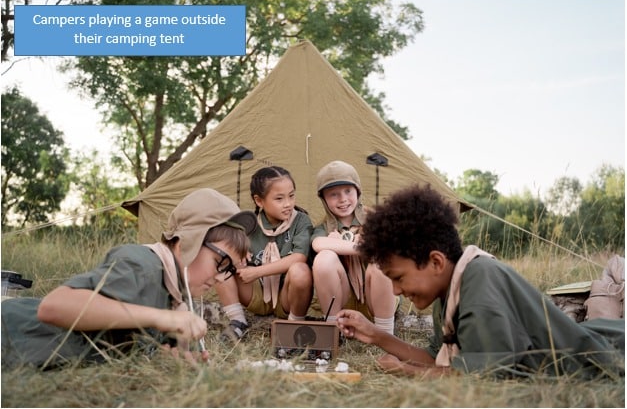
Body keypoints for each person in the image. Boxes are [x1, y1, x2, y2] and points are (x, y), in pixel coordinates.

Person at [336, 184, 625, 379]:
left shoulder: (479, 279)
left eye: (399, 278)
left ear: (436, 262)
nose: (397, 290)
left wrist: (407, 371)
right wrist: (376, 335)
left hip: (603, 356)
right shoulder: (447, 291)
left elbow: (481, 376)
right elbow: (438, 359)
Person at [1, 188, 257, 369]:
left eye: (230, 270)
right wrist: (164, 318)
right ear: (190, 241)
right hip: (11, 334)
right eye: (221, 262)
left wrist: (166, 355)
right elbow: (54, 307)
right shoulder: (143, 263)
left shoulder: (172, 293)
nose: (221, 277)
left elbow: (121, 339)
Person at [215, 166, 313, 341]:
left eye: (291, 195)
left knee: (300, 270)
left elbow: (299, 257)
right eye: (279, 198)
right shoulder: (248, 224)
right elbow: (225, 248)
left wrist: (257, 271)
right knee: (221, 259)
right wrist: (236, 255)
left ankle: (293, 325)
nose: (288, 203)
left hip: (286, 297)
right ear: (259, 201)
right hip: (255, 294)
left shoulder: (301, 220)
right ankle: (238, 322)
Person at [311, 160, 397, 334]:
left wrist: (342, 245)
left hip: (377, 299)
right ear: (324, 199)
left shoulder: (375, 219)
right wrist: (358, 246)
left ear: (358, 190)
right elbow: (318, 243)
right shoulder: (324, 227)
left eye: (348, 191)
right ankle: (334, 329)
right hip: (344, 302)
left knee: (381, 261)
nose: (343, 199)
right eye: (333, 194)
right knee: (324, 258)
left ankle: (385, 333)